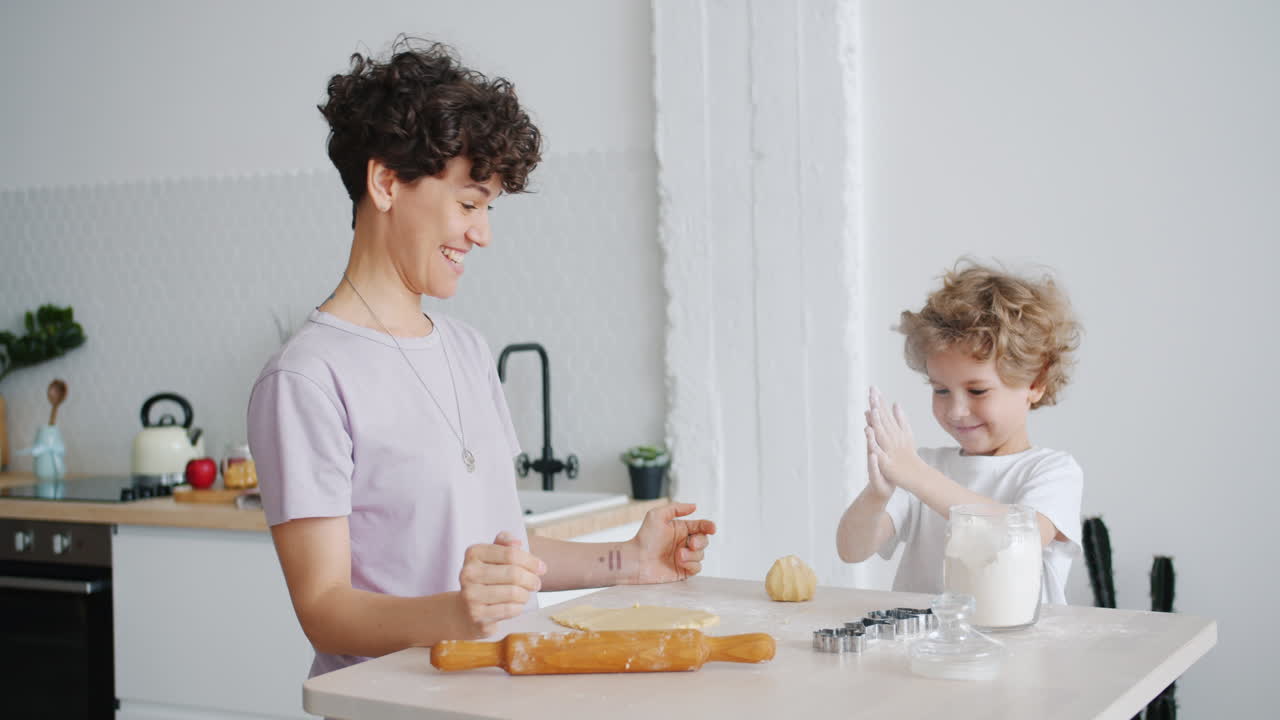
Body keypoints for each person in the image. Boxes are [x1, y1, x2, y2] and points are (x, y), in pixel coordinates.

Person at [247, 37, 715, 679]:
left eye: (488, 208)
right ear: (385, 183)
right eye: (468, 204)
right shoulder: (306, 378)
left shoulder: (466, 348)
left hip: (494, 695)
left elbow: (503, 543)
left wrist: (628, 561)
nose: (483, 232)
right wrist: (454, 614)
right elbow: (324, 609)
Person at [835, 261, 1083, 604]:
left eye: (977, 391)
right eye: (941, 390)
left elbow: (1019, 539)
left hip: (1021, 639)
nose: (956, 410)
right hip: (926, 637)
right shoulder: (923, 466)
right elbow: (851, 550)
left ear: (1035, 383)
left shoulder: (1052, 472)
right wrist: (878, 494)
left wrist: (917, 476)